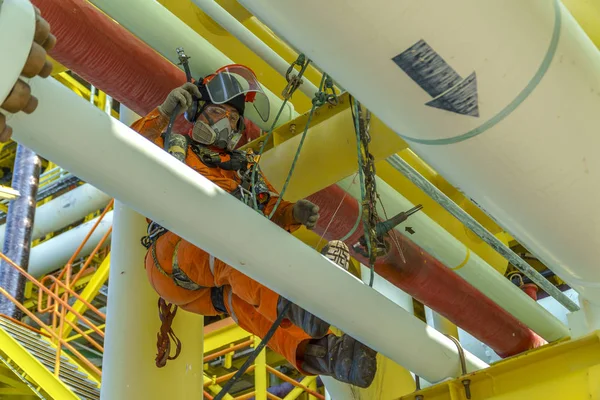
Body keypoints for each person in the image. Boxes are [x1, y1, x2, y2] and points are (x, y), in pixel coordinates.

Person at [131, 65, 377, 388]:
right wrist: (163, 113)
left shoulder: (241, 171)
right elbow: (127, 151)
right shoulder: (178, 149)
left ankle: (329, 355)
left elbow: (266, 214)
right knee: (233, 252)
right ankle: (302, 302)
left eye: (233, 119)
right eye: (219, 112)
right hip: (172, 255)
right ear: (198, 113)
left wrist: (291, 214)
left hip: (213, 282)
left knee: (244, 302)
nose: (226, 123)